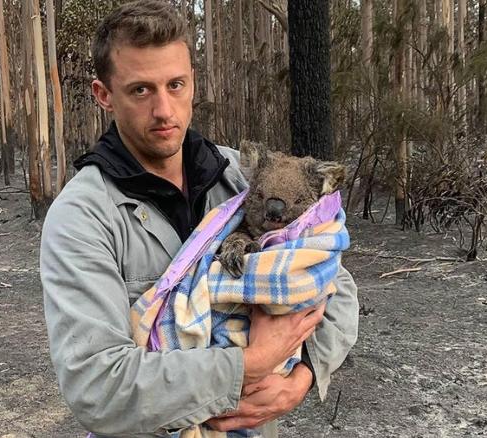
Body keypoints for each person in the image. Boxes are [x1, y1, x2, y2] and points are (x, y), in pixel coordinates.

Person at [40, 1, 359, 436]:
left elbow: (336, 287)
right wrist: (249, 366)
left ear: (192, 81)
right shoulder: (82, 218)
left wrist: (301, 378)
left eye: (175, 85)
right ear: (103, 95)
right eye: (140, 90)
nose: (165, 111)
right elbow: (98, 388)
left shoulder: (241, 177)